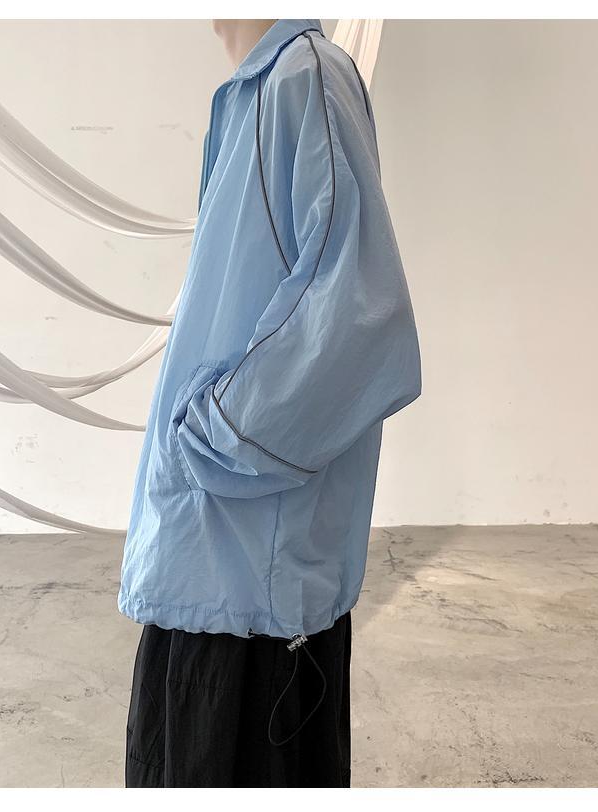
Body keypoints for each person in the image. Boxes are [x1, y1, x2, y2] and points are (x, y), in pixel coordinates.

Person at [119, 18, 421, 788]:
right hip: (210, 565)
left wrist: (210, 434)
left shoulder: (304, 79)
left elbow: (359, 317)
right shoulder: (258, 93)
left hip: (250, 592)